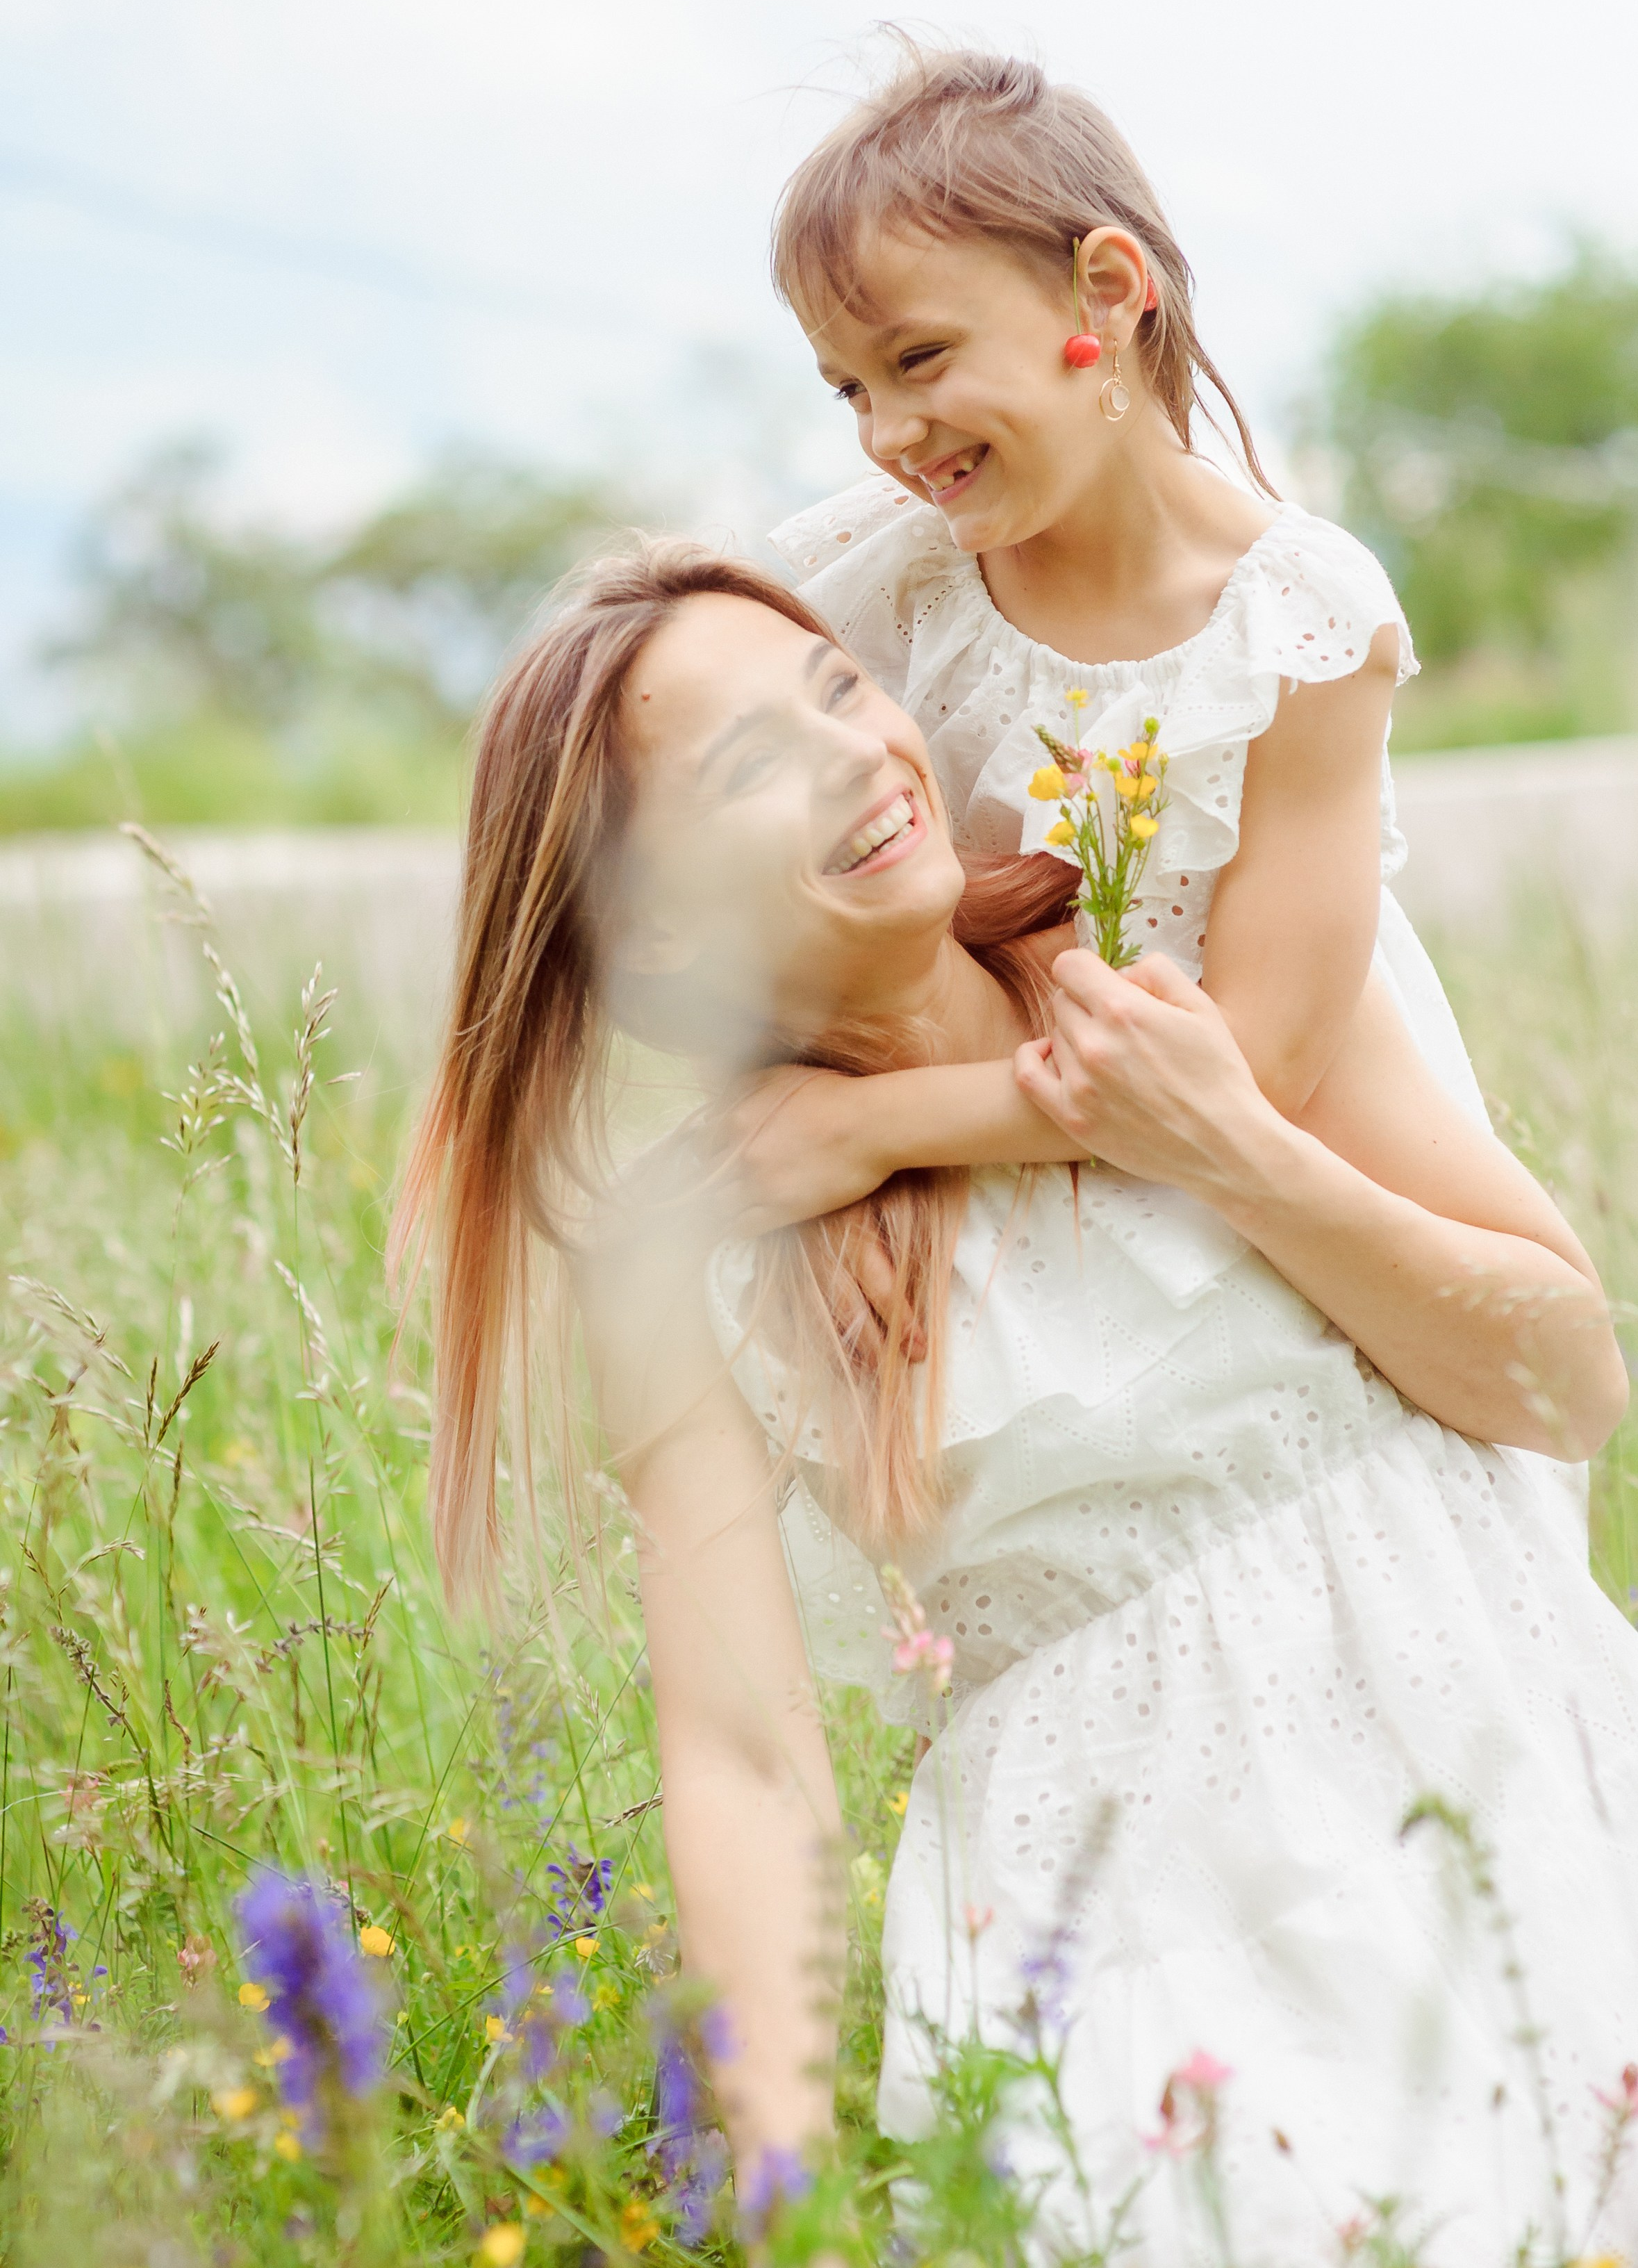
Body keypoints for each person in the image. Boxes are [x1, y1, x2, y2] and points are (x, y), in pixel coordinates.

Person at [394, 542, 1637, 2265]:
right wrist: (783, 2179)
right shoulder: (696, 1252)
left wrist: (1231, 1144)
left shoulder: (1209, 969)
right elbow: (745, 1749)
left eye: (842, 686)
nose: (857, 749)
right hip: (1129, 1906)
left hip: (1496, 1748)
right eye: (752, 763)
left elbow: (1566, 1381)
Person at [700, 45, 1487, 1338]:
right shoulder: (865, 578)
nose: (885, 434)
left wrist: (865, 1131)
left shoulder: (1294, 624)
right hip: (954, 1205)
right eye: (850, 387)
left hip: (1218, 1196)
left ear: (1108, 292)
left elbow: (1259, 1069)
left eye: (920, 357)